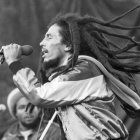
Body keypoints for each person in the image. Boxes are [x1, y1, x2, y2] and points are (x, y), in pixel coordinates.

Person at [2, 11, 140, 140]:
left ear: (68, 45)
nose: (41, 43)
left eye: (49, 37)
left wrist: (14, 63)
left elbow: (39, 96)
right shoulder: (72, 77)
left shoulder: (84, 70)